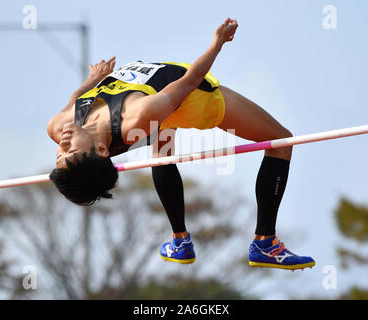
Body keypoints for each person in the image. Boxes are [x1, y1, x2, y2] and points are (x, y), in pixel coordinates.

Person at [46, 18, 315, 270]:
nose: (64, 144)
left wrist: (93, 79)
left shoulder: (58, 126)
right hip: (190, 99)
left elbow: (75, 99)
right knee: (281, 140)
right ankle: (265, 242)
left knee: (162, 150)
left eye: (60, 153)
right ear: (102, 151)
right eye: (71, 152)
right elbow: (190, 81)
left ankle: (180, 241)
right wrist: (218, 43)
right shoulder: (139, 115)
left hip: (157, 100)